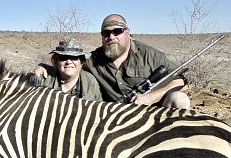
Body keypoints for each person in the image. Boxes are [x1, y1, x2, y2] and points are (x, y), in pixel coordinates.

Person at [34, 14, 191, 109]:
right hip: (116, 118)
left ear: (128, 33)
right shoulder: (93, 59)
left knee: (179, 99)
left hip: (152, 113)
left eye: (117, 31)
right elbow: (71, 66)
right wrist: (46, 67)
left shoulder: (150, 55)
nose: (111, 37)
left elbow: (181, 82)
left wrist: (150, 98)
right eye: (106, 33)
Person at [37, 38, 102, 101]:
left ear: (81, 61)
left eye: (74, 57)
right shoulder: (44, 79)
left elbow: (98, 107)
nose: (68, 62)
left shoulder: (90, 81)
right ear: (56, 61)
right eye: (63, 57)